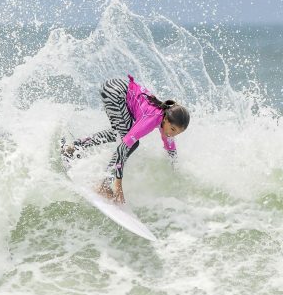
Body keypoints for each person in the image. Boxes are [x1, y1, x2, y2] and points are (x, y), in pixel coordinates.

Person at [61, 74, 190, 204]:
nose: (173, 134)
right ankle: (103, 185)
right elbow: (123, 146)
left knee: (119, 134)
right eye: (173, 130)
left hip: (117, 88)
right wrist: (118, 183)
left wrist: (175, 167)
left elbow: (171, 148)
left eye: (178, 133)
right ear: (166, 119)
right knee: (130, 143)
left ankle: (74, 146)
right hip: (116, 91)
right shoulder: (152, 119)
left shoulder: (165, 122)